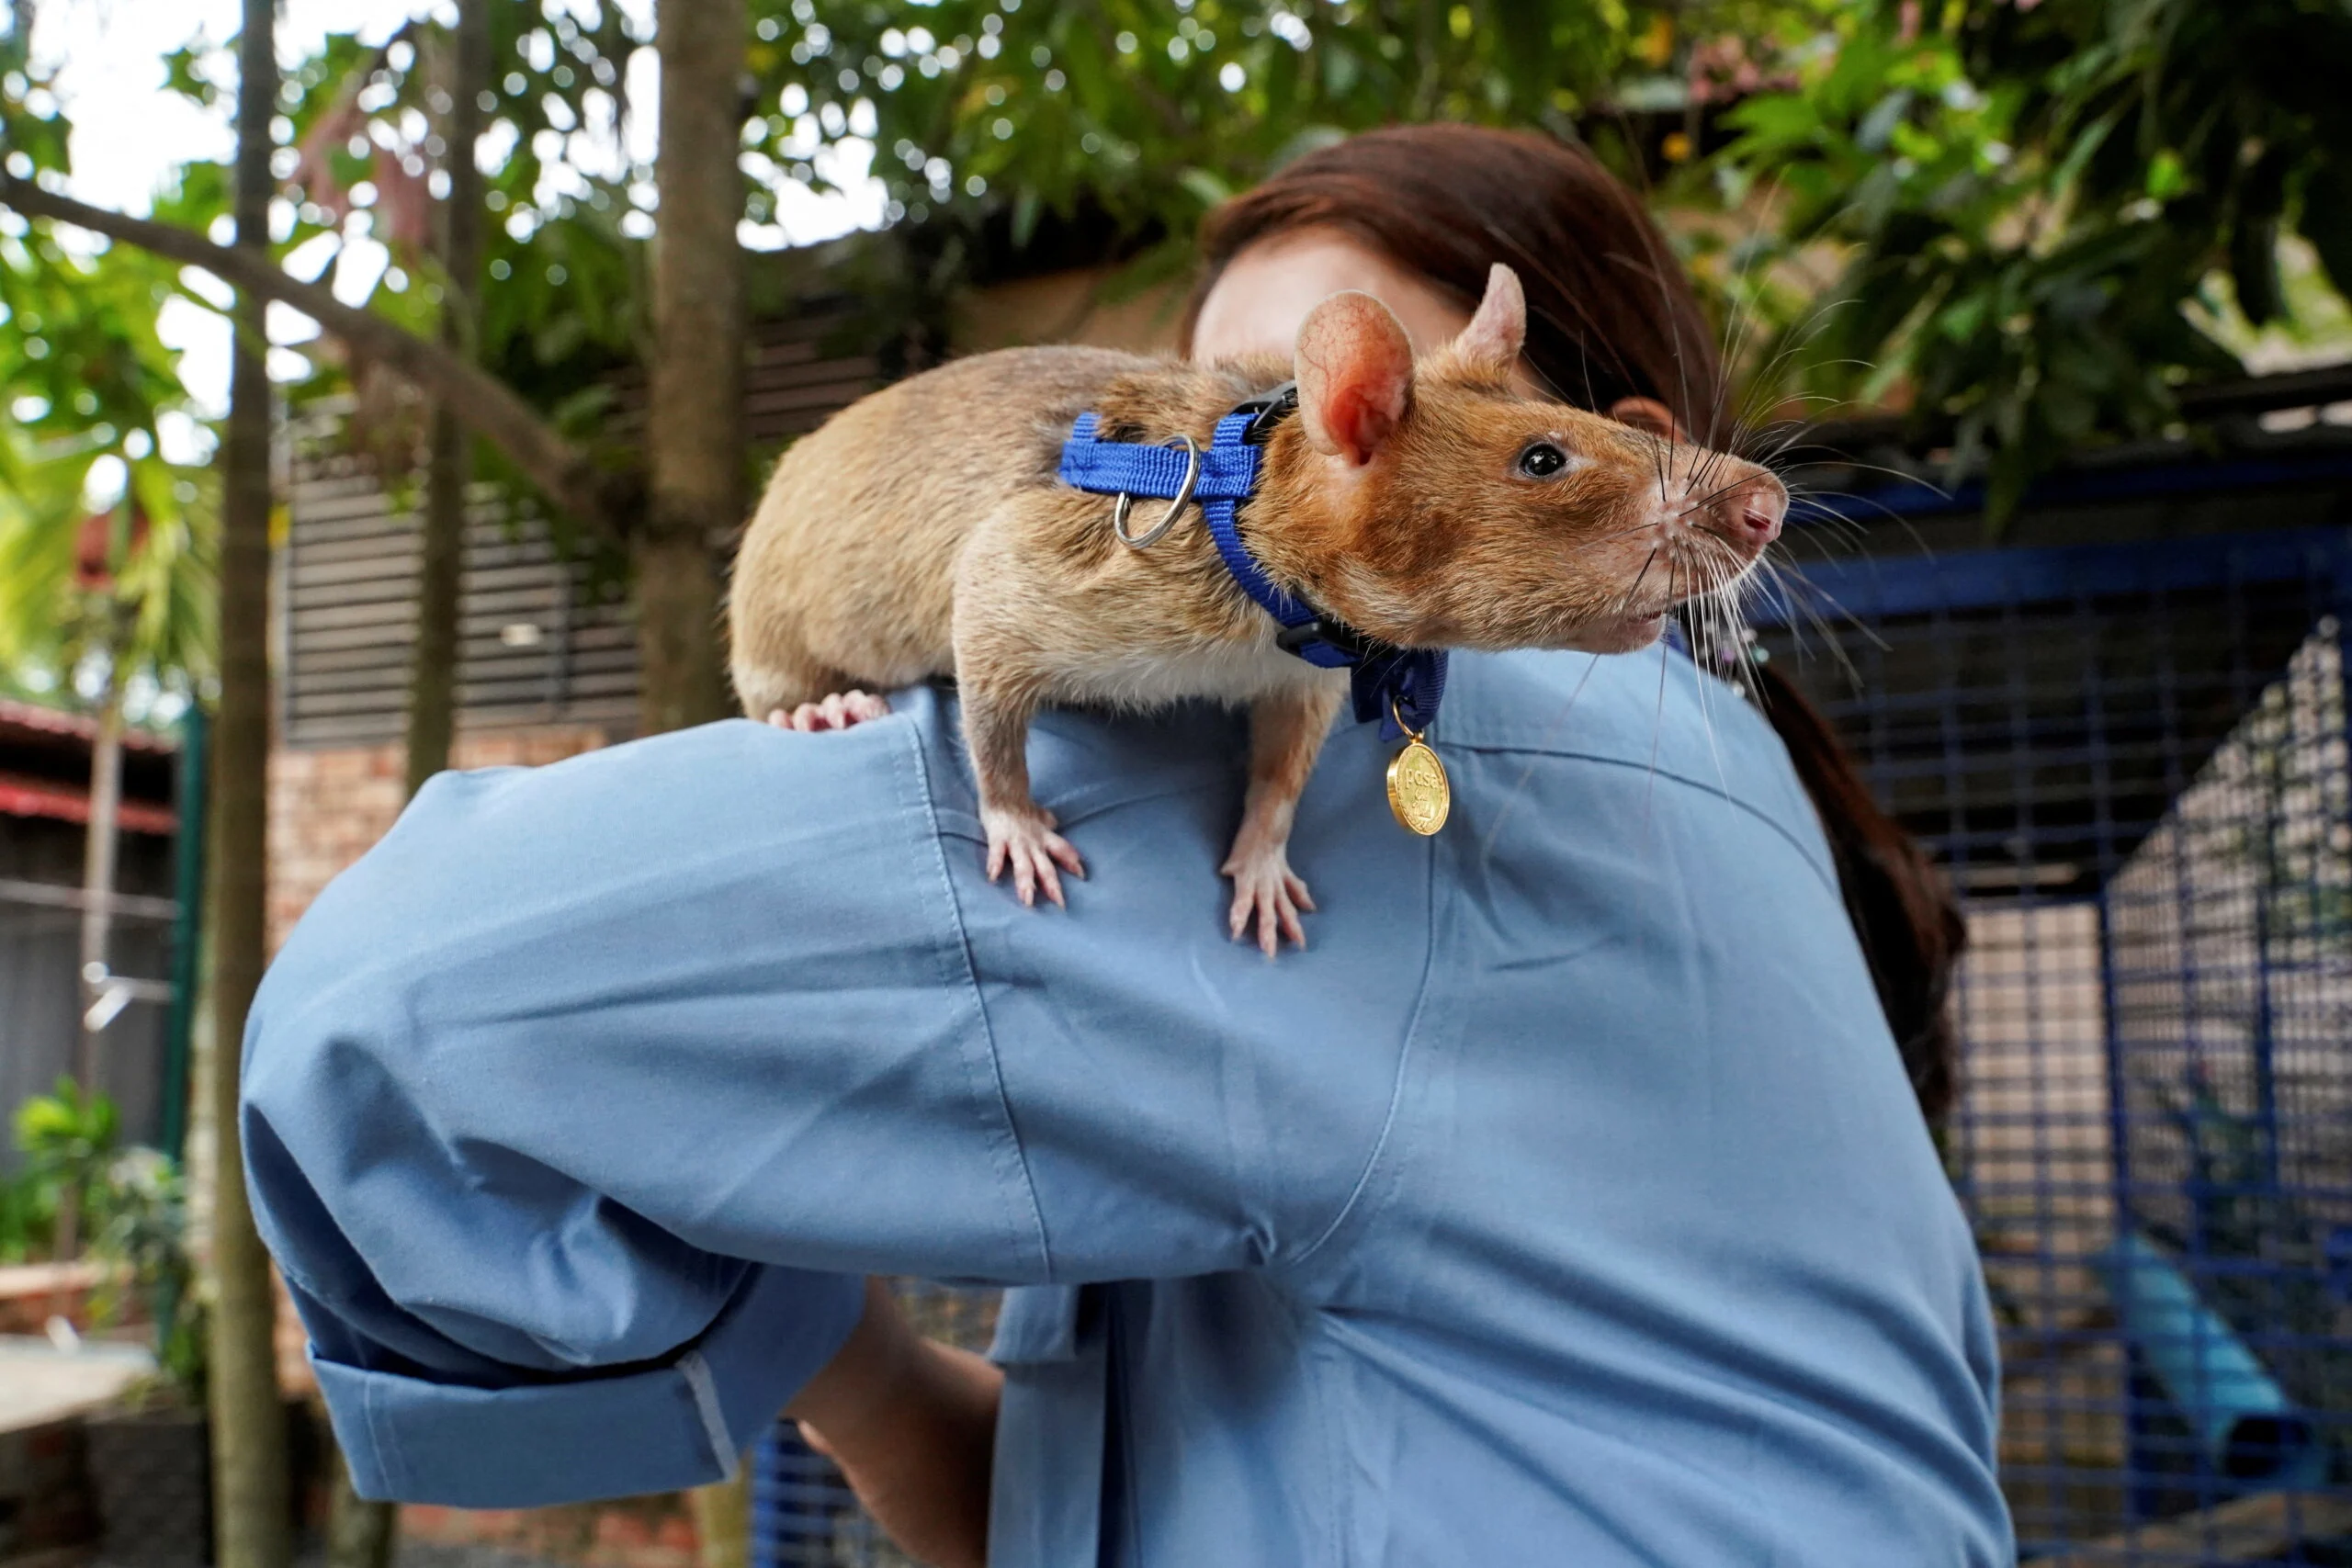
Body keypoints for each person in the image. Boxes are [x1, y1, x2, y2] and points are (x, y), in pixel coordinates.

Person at [242, 124, 2012, 1568]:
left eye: (1313, 390)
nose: (1232, 456)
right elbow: (1145, 1500)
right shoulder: (1745, 818)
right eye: (1211, 404)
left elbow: (396, 999)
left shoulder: (1465, 738)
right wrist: (827, 1350)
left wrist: (717, 1317)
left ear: (1582, 417)